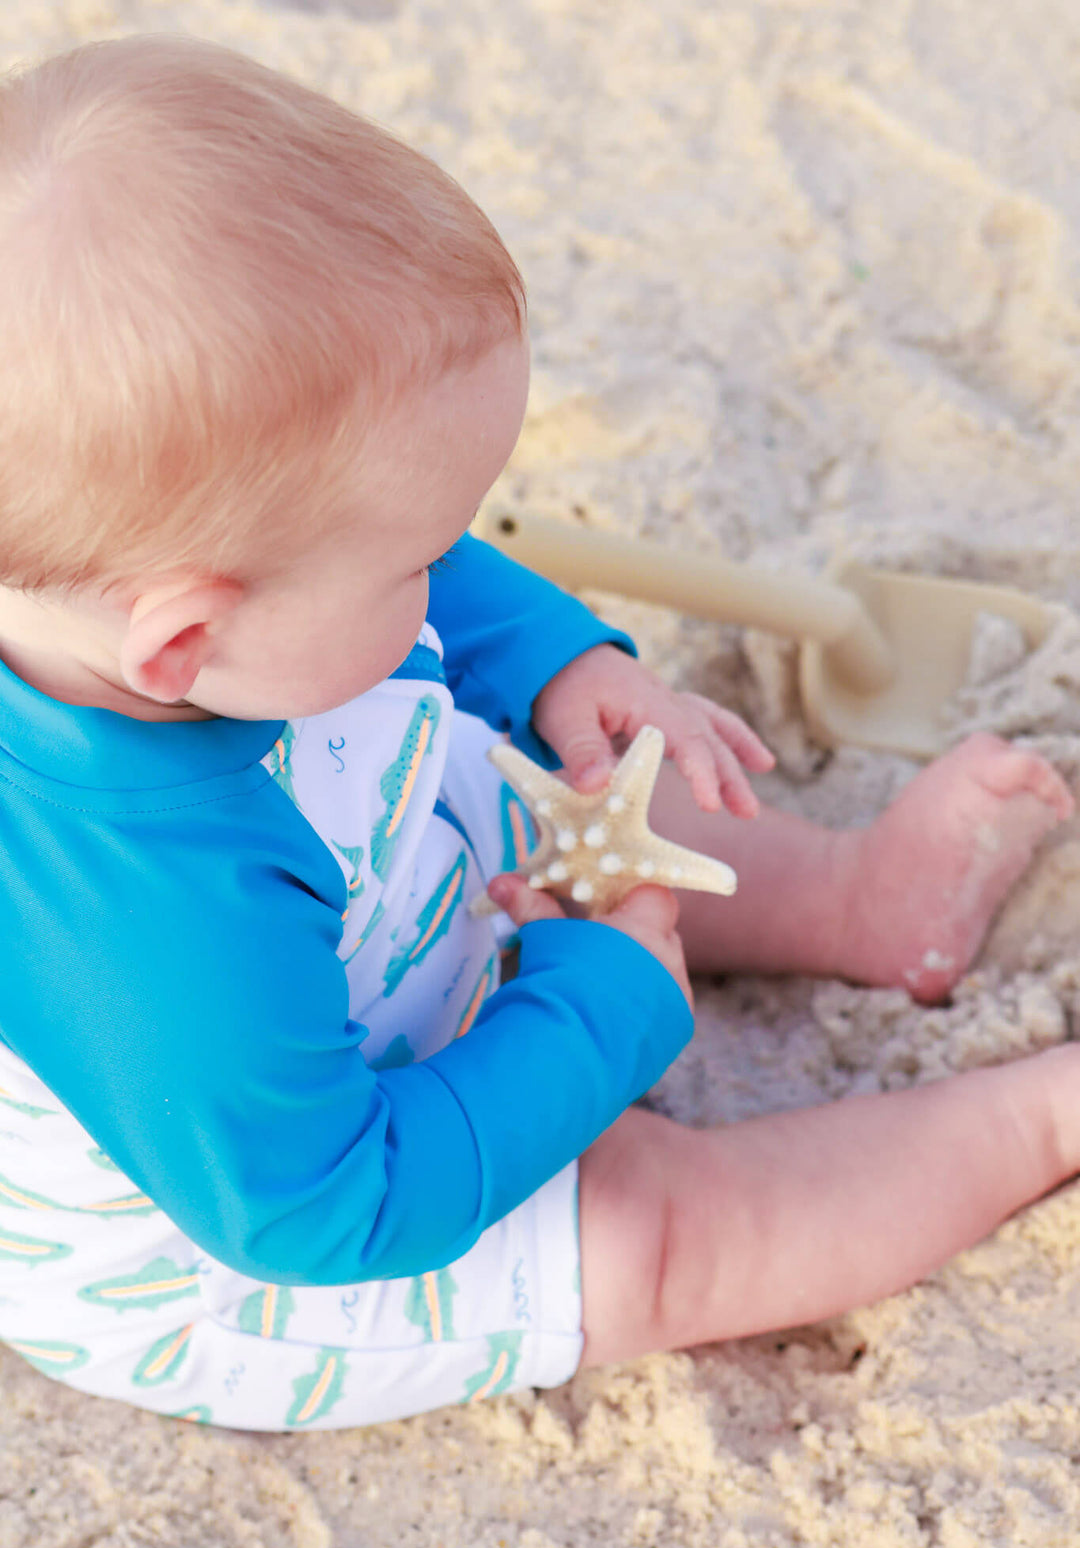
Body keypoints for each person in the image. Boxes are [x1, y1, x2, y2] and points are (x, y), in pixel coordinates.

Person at [0, 33, 1074, 1431]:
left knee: (566, 783)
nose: (451, 559)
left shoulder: (189, 613)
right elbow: (333, 1208)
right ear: (188, 642)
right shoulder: (146, 922)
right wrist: (595, 1010)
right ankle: (1035, 1125)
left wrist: (561, 662)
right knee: (662, 1235)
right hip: (265, 1212)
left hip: (361, 867)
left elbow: (443, 584)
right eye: (417, 555)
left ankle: (864, 904)